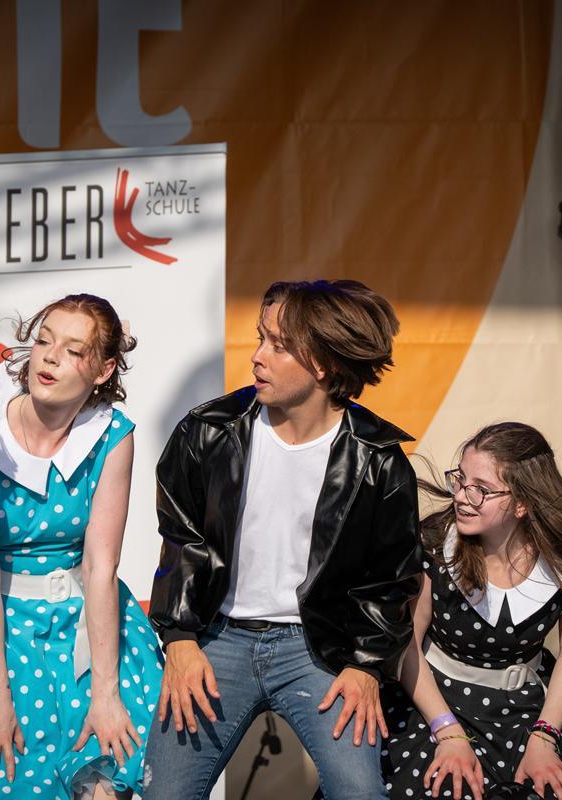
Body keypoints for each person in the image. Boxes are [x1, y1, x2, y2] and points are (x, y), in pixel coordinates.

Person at [142, 279, 422, 799]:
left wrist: (364, 667)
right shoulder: (208, 431)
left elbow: (391, 578)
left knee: (360, 793)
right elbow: (181, 540)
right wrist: (179, 640)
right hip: (218, 639)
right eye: (260, 337)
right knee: (165, 794)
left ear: (324, 364)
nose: (257, 356)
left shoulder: (379, 460)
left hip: (321, 649)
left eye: (278, 345)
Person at [0, 294, 162, 799]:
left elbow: (100, 567)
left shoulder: (112, 435)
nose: (50, 357)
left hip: (88, 628)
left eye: (73, 350)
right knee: (2, 773)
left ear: (103, 370)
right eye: (44, 341)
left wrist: (105, 692)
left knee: (106, 772)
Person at [381, 422, 562, 800]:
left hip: (530, 713)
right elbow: (408, 646)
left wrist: (544, 736)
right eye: (460, 479)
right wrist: (448, 733)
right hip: (436, 704)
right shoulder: (435, 543)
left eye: (481, 489)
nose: (461, 496)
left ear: (522, 503)